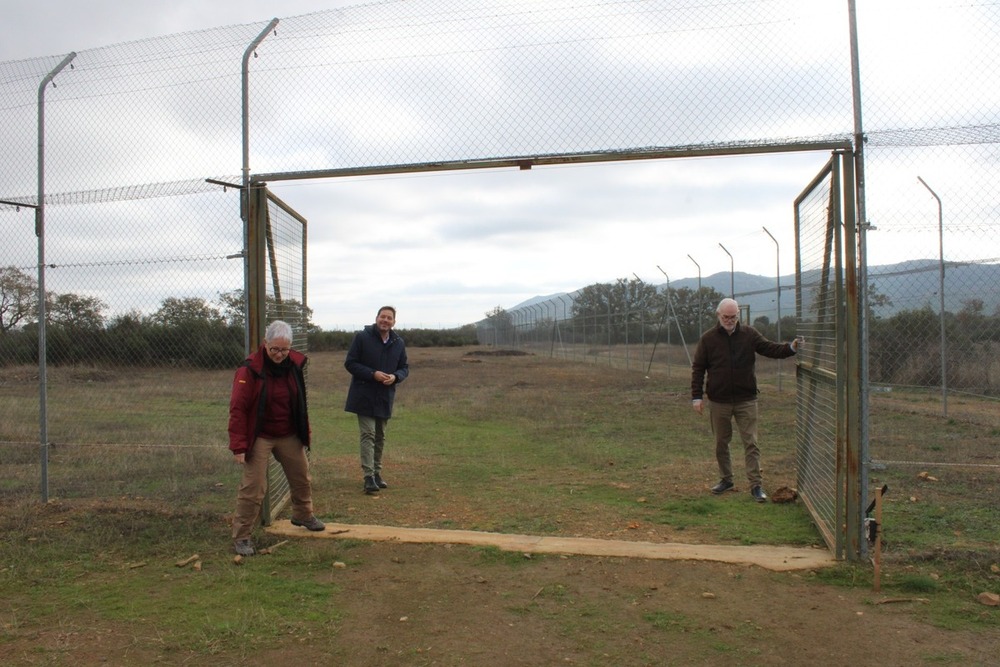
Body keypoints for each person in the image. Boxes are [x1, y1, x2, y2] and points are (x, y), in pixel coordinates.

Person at [228, 320, 325, 556]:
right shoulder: (249, 369)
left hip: (288, 432)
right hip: (259, 435)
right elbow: (237, 409)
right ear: (265, 343)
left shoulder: (295, 365)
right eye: (275, 349)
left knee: (301, 475)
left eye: (284, 349)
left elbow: (300, 403)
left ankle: (303, 515)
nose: (280, 354)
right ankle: (242, 537)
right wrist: (239, 446)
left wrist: (305, 432)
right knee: (254, 486)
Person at [690, 298, 800, 503]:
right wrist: (696, 397)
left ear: (738, 315)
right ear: (718, 316)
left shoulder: (749, 335)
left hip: (746, 400)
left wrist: (791, 348)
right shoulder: (708, 339)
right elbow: (698, 369)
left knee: (751, 443)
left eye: (733, 317)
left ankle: (756, 485)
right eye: (726, 317)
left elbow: (770, 349)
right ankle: (726, 480)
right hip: (719, 401)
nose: (730, 320)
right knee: (721, 443)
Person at [344, 305, 409, 495]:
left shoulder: (398, 342)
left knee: (380, 436)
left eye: (389, 318)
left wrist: (395, 377)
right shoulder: (362, 337)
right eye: (383, 317)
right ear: (376, 318)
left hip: (384, 396)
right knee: (369, 434)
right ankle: (369, 477)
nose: (385, 320)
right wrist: (373, 374)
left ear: (394, 322)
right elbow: (350, 363)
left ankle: (377, 473)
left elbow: (404, 367)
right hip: (363, 395)